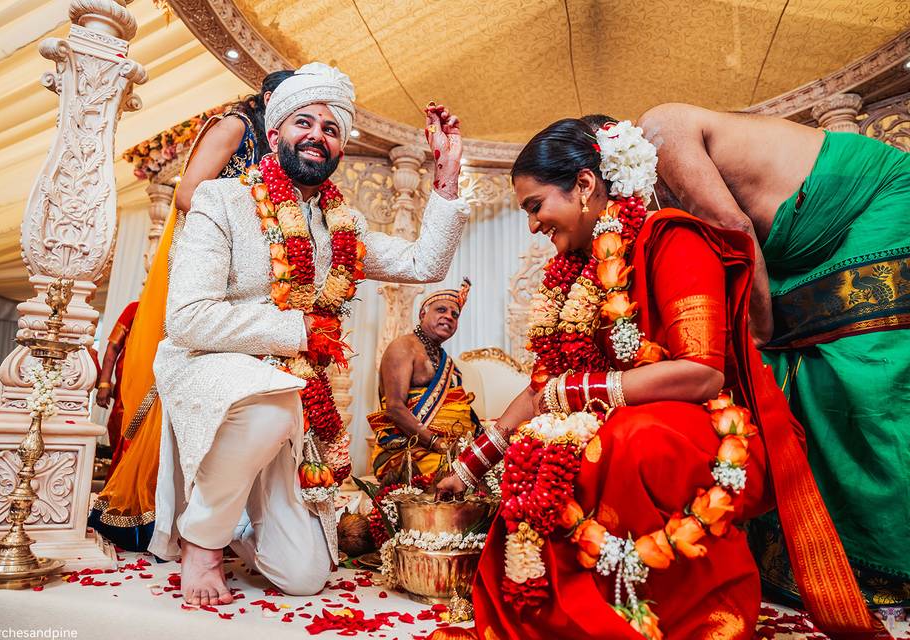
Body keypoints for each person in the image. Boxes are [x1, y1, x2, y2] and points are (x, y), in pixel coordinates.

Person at [436, 117, 885, 639]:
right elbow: (543, 385)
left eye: (536, 206)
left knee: (629, 439)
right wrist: (472, 464)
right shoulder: (576, 274)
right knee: (541, 450)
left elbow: (702, 373)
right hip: (626, 425)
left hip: (710, 432)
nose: (533, 225)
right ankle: (558, 613)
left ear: (584, 185)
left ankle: (649, 616)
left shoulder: (673, 239)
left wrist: (584, 390)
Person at [148, 62, 469, 608]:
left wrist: (446, 176)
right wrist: (301, 329)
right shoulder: (220, 201)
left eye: (331, 128)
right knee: (271, 407)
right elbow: (188, 318)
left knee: (303, 576)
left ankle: (240, 525)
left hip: (298, 389)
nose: (317, 136)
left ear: (339, 147)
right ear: (274, 134)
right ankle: (200, 540)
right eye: (305, 122)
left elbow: (424, 262)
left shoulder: (343, 225)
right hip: (212, 365)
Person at [637, 103, 910, 606]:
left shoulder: (656, 130)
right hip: (792, 252)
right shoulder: (639, 200)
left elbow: (733, 227)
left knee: (868, 371)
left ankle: (897, 559)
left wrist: (758, 329)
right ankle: (833, 555)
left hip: (875, 201)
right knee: (790, 379)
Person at [88, 71, 294, 551]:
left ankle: (212, 519)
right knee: (178, 372)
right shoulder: (236, 126)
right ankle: (146, 511)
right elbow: (188, 194)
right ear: (269, 99)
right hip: (204, 263)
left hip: (243, 274)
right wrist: (247, 221)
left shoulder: (278, 146)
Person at [368, 279, 481, 484]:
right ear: (422, 314)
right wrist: (437, 443)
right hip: (407, 450)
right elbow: (394, 408)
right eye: (441, 310)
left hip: (445, 448)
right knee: (459, 477)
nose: (449, 316)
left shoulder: (445, 360)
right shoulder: (403, 347)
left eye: (455, 315)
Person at [94, 300, 138, 475]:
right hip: (126, 387)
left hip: (155, 388)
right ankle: (116, 489)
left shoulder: (173, 309)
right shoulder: (134, 309)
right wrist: (104, 383)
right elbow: (113, 347)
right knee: (119, 430)